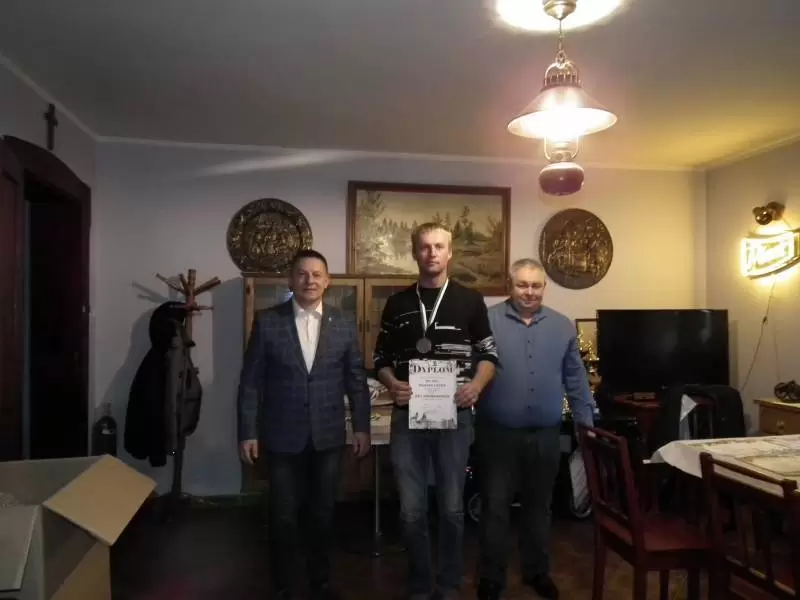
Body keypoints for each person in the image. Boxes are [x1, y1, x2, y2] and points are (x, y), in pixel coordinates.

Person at [237, 249, 371, 600]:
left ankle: (320, 581)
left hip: (328, 437)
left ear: (327, 281)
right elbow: (251, 382)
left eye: (316, 274)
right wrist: (248, 431)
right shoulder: (268, 321)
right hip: (281, 436)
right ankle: (282, 584)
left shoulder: (344, 322)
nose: (309, 280)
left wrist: (361, 427)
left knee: (323, 513)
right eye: (302, 273)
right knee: (283, 516)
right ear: (291, 279)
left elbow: (356, 379)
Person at [373, 223, 498, 600]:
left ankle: (448, 583)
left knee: (451, 509)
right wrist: (392, 383)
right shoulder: (397, 304)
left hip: (455, 417)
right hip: (407, 416)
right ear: (415, 253)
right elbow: (380, 359)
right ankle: (420, 582)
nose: (432, 253)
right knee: (411, 511)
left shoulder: (470, 300)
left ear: (450, 252)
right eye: (425, 247)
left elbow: (489, 355)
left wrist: (476, 386)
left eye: (439, 246)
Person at [475, 258, 595, 600]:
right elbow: (471, 370)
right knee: (495, 506)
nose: (529, 292)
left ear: (544, 287)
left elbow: (575, 378)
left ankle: (537, 571)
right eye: (522, 285)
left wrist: (586, 423)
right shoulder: (486, 321)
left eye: (536, 285)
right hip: (497, 434)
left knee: (539, 507)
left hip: (545, 435)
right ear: (509, 285)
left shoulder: (562, 326)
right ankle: (492, 576)